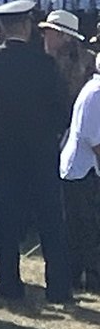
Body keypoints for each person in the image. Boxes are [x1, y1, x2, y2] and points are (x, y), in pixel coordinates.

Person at [0, 0, 73, 305]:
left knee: (7, 221)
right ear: (27, 25)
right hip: (42, 151)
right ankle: (58, 287)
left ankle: (9, 284)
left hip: (5, 151)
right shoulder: (44, 63)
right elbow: (62, 109)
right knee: (51, 221)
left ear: (2, 28)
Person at [60, 52, 100, 292]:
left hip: (90, 172)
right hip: (82, 172)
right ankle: (83, 279)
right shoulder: (95, 94)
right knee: (83, 230)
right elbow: (94, 140)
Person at [42, 9, 93, 118]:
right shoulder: (40, 61)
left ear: (65, 37)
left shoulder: (88, 61)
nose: (45, 37)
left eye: (49, 33)